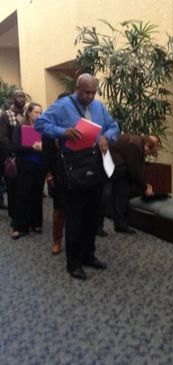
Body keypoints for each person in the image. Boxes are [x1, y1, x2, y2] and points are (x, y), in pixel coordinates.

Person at [35, 73, 120, 280]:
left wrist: (105, 137)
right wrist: (63, 132)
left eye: (93, 92)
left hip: (95, 167)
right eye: (86, 92)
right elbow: (40, 124)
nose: (90, 96)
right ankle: (73, 263)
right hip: (73, 169)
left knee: (92, 215)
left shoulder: (99, 107)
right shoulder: (63, 106)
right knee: (75, 218)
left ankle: (89, 255)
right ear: (77, 88)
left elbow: (114, 126)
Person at [97, 134, 158, 236]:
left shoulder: (138, 142)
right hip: (110, 166)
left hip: (121, 169)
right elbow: (134, 169)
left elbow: (137, 168)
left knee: (122, 194)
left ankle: (121, 225)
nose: (147, 155)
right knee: (105, 195)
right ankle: (97, 227)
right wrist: (145, 188)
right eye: (149, 153)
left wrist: (145, 185)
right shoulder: (135, 144)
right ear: (146, 145)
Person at [42, 92, 71, 255]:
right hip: (57, 174)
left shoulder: (77, 123)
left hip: (76, 174)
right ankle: (56, 240)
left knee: (76, 209)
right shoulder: (49, 127)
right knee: (59, 209)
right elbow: (46, 154)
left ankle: (75, 240)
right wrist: (48, 175)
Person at [11, 102, 44, 239]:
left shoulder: (43, 128)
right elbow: (16, 147)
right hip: (25, 166)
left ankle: (36, 223)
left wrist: (44, 147)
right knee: (23, 195)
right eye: (36, 112)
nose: (38, 115)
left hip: (39, 166)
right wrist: (33, 147)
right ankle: (20, 226)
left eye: (40, 112)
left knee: (37, 195)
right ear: (29, 113)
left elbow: (48, 147)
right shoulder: (20, 127)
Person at [0, 90, 26, 225]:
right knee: (12, 187)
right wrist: (12, 151)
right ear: (12, 98)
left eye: (23, 97)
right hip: (12, 156)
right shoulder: (6, 115)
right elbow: (3, 137)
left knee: (24, 186)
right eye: (19, 96)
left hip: (26, 155)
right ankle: (14, 215)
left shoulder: (27, 114)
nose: (22, 99)